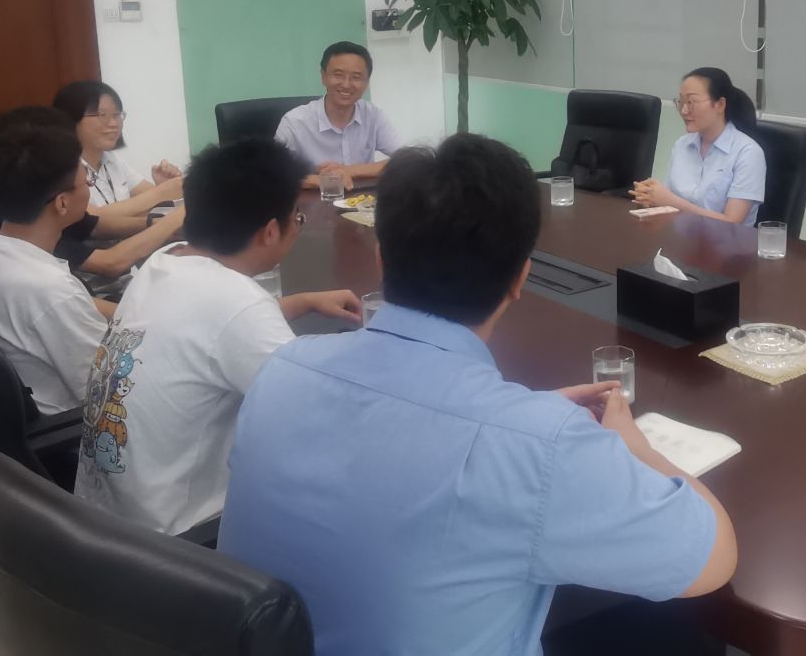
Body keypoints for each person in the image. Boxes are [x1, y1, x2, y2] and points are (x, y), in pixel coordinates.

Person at [220, 134, 737, 656]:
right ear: (521, 279)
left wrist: (526, 421)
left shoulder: (282, 371)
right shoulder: (537, 448)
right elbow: (713, 559)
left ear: (381, 258)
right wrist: (633, 446)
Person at [75, 138, 361, 537]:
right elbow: (320, 421)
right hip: (178, 540)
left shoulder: (167, 260)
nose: (298, 226)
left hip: (101, 518)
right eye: (297, 218)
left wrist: (300, 302)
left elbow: (205, 327)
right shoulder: (238, 305)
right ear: (270, 231)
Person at [0, 108, 112, 414]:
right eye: (87, 181)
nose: (89, 187)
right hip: (78, 427)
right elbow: (111, 394)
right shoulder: (51, 291)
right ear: (62, 203)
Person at [0, 107, 186, 281]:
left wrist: (158, 223)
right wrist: (175, 216)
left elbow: (95, 224)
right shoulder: (23, 225)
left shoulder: (25, 190)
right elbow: (111, 263)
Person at [631, 67, 766, 225]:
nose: (684, 110)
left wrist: (670, 201)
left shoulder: (748, 153)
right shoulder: (682, 145)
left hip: (725, 240)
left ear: (720, 104)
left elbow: (732, 223)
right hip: (678, 236)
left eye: (691, 102)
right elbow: (667, 202)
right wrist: (649, 198)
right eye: (681, 102)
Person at [273, 40, 403, 190]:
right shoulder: (294, 122)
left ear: (367, 83)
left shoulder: (373, 116)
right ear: (323, 77)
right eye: (338, 75)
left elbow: (407, 160)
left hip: (361, 201)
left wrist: (349, 171)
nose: (346, 84)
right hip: (314, 201)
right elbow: (271, 173)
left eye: (356, 77)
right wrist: (320, 180)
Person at [53, 80, 184, 212]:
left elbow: (153, 200)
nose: (114, 123)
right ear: (71, 118)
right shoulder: (60, 168)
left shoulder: (112, 159)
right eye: (102, 115)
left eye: (116, 115)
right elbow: (94, 219)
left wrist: (165, 186)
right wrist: (161, 193)